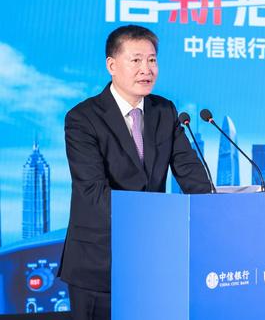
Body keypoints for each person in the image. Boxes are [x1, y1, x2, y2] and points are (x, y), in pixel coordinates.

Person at [59, 25, 211, 320]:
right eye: (136, 60)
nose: (146, 69)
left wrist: (212, 210)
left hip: (153, 261)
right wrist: (159, 219)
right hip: (100, 262)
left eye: (152, 60)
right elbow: (93, 193)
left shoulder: (164, 111)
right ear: (112, 65)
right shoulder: (82, 118)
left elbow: (190, 171)